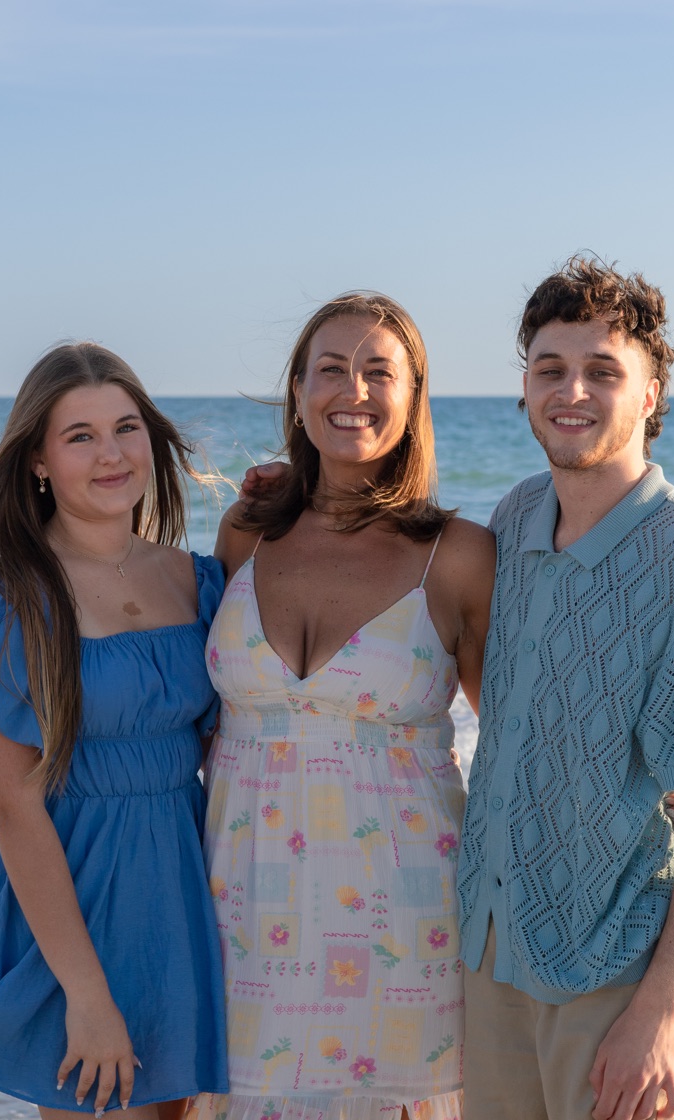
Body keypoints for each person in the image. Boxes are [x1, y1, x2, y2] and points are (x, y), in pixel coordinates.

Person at [457, 256, 674, 1120]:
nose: (573, 392)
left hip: (623, 974)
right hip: (494, 956)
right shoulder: (516, 517)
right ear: (525, 388)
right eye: (549, 369)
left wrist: (660, 1013)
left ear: (650, 394)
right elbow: (517, 693)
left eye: (603, 370)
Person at [188, 293, 495, 1120]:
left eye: (379, 372)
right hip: (241, 915)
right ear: (297, 392)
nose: (352, 389)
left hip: (405, 926)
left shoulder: (458, 556)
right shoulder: (246, 531)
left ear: (414, 397)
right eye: (330, 368)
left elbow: (519, 735)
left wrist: (651, 794)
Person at [0, 342, 229, 1118]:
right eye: (80, 436)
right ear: (39, 461)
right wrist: (85, 995)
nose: (110, 454)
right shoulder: (7, 599)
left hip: (185, 887)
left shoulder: (196, 581)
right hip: (74, 899)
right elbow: (12, 807)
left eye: (125, 428)